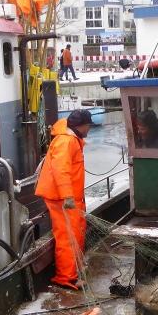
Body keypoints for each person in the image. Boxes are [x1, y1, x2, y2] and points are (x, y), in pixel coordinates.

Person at [36, 109, 91, 289]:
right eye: (88, 126)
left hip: (70, 197)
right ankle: (66, 277)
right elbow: (61, 170)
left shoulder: (72, 139)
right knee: (68, 236)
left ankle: (74, 269)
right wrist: (67, 196)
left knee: (76, 231)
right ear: (82, 126)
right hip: (62, 198)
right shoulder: (66, 141)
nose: (89, 129)